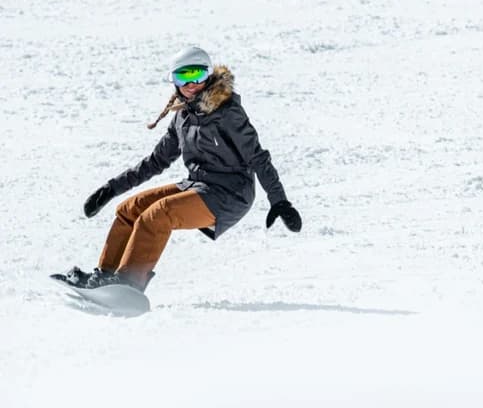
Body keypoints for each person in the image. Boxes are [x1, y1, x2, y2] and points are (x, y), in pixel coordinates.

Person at [51, 46, 302, 292]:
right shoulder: (182, 117)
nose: (191, 84)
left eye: (197, 75)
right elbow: (155, 161)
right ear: (174, 81)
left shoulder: (229, 113)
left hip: (230, 194)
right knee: (129, 209)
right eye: (183, 76)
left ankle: (129, 283)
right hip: (197, 186)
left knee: (158, 214)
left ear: (208, 75)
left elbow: (258, 157)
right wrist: (111, 189)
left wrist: (279, 201)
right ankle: (104, 278)